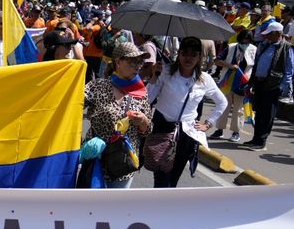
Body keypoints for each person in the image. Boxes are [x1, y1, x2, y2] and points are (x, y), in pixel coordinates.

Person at [147, 36, 228, 187]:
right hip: (162, 128)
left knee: (174, 178)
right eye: (184, 53)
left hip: (187, 133)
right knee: (161, 178)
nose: (188, 58)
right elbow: (148, 99)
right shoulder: (165, 71)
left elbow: (222, 102)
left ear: (199, 57)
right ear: (179, 54)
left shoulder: (204, 79)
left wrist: (208, 124)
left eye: (193, 54)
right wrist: (153, 77)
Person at [82, 42, 153, 188]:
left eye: (140, 62)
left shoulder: (141, 92)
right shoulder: (98, 86)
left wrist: (143, 121)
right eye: (132, 62)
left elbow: (148, 130)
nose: (137, 66)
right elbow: (74, 104)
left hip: (123, 164)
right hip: (96, 158)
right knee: (90, 201)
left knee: (116, 202)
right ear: (118, 62)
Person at [243, 21, 293, 151]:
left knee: (267, 115)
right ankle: (256, 139)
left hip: (273, 85)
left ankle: (261, 142)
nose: (267, 36)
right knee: (259, 112)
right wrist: (252, 82)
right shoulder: (265, 45)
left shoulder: (287, 48)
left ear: (278, 33)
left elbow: (289, 70)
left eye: (270, 34)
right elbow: (257, 64)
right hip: (259, 83)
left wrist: (282, 87)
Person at [210, 29, 256, 143]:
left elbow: (255, 68)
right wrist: (229, 65)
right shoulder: (231, 47)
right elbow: (217, 61)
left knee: (239, 109)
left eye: (247, 41)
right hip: (227, 82)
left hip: (243, 83)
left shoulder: (254, 50)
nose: (245, 43)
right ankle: (219, 130)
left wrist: (252, 84)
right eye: (243, 41)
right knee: (224, 105)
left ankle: (236, 132)